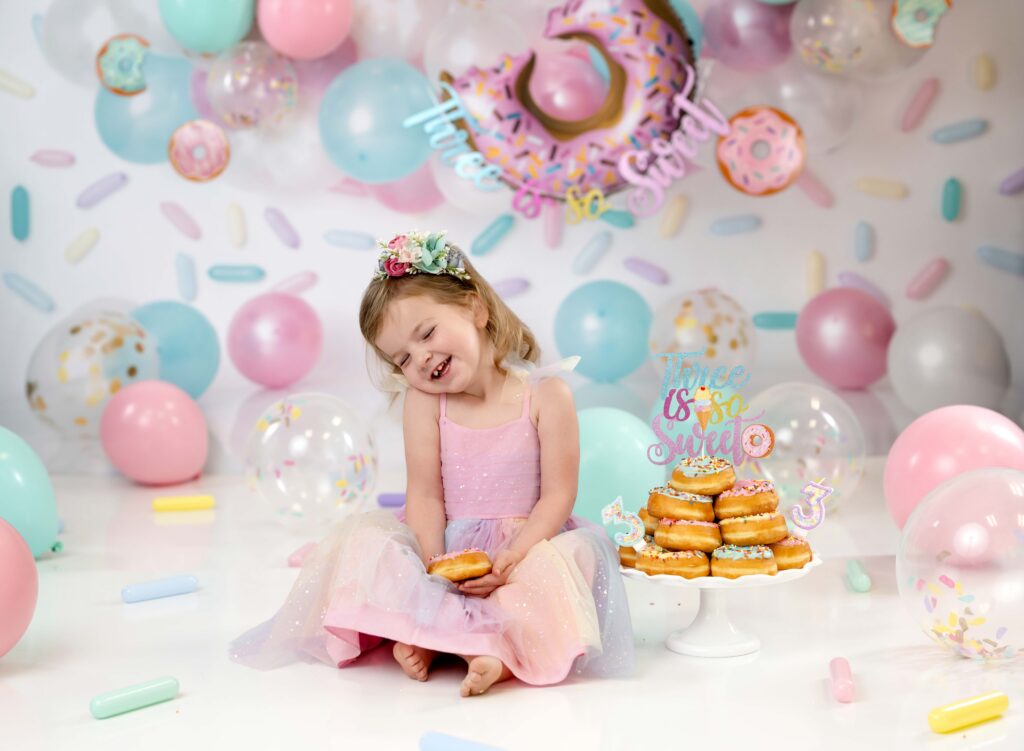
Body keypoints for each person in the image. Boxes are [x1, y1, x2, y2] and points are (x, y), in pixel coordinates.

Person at [231, 230, 633, 696]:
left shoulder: (546, 396)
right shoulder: (425, 404)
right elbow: (424, 493)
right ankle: (439, 634)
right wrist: (433, 566)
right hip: (444, 541)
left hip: (523, 544)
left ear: (476, 309)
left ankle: (477, 651)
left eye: (426, 333)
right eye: (402, 357)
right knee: (369, 546)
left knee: (556, 571)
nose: (421, 358)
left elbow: (558, 495)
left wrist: (514, 556)